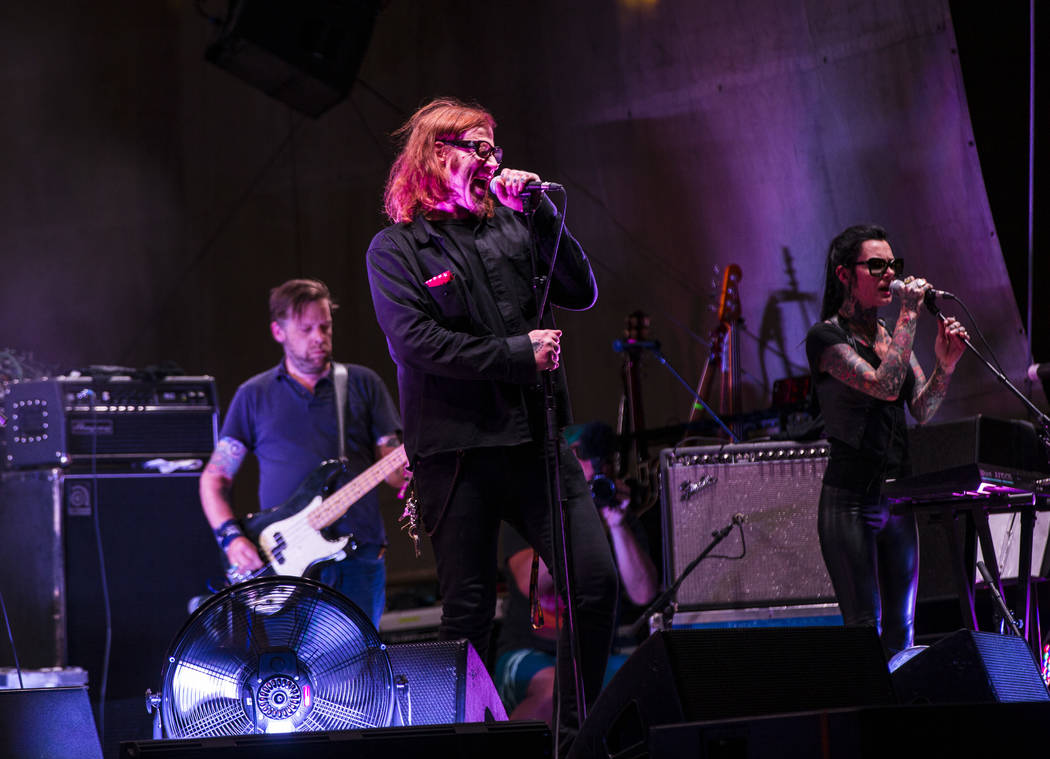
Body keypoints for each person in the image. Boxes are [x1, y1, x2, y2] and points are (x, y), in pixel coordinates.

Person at [365, 97, 618, 753]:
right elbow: (417, 342)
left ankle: (575, 736)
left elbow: (580, 288)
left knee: (594, 581)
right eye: (476, 148)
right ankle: (471, 745)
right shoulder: (396, 249)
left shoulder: (514, 223)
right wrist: (516, 353)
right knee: (469, 614)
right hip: (457, 455)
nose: (491, 160)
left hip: (537, 443)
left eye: (493, 148)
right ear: (434, 155)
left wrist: (539, 208)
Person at [199, 278, 404, 627]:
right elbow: (215, 477)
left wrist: (411, 459)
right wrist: (232, 539)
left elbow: (395, 474)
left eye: (325, 326)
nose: (319, 337)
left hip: (357, 561)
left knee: (356, 674)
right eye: (306, 328)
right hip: (283, 562)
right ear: (278, 332)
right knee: (287, 672)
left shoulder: (363, 383)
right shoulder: (254, 394)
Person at [805, 224, 968, 657]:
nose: (889, 274)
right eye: (876, 265)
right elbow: (882, 384)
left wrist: (945, 367)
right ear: (844, 274)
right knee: (865, 627)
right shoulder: (826, 338)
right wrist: (910, 315)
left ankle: (902, 719)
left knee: (903, 628)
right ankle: (869, 721)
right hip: (850, 502)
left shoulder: (887, 335)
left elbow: (921, 408)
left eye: (893, 265)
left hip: (897, 499)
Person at [494, 421, 659, 724]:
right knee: (554, 692)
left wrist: (616, 523)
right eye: (583, 455)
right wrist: (574, 512)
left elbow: (644, 594)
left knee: (653, 683)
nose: (595, 467)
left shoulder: (617, 517)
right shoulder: (531, 514)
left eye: (603, 459)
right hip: (530, 653)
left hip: (593, 656)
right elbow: (531, 583)